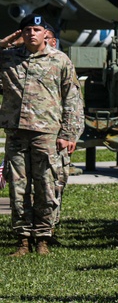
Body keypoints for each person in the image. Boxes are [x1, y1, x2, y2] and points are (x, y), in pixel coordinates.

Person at [0, 15, 83, 257]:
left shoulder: (59, 61)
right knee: (18, 187)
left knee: (47, 185)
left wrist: (68, 133)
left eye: (37, 29)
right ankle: (23, 238)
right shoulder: (8, 58)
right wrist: (5, 41)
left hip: (47, 133)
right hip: (17, 132)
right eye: (27, 30)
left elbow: (73, 99)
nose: (31, 34)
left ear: (46, 33)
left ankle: (44, 237)